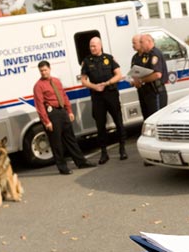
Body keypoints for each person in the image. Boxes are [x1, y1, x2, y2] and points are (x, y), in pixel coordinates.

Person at [33, 60, 96, 175]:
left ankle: (81, 162)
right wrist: (47, 122)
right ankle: (62, 167)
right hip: (52, 114)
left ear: (49, 69)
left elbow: (64, 96)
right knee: (56, 143)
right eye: (41, 71)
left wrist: (69, 111)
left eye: (45, 70)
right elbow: (39, 105)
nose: (43, 72)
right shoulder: (38, 86)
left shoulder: (56, 81)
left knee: (71, 139)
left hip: (62, 111)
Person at [81, 36, 127, 164]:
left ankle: (122, 149)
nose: (92, 48)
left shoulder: (109, 58)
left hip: (111, 94)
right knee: (100, 125)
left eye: (94, 46)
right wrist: (94, 86)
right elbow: (83, 80)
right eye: (90, 46)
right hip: (97, 97)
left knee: (118, 122)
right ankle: (104, 153)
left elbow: (118, 75)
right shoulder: (87, 61)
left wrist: (107, 83)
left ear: (100, 45)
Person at [130, 34, 168, 119]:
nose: (140, 44)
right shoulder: (143, 56)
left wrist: (141, 80)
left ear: (149, 42)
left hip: (155, 91)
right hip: (146, 93)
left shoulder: (154, 54)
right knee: (148, 119)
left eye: (141, 42)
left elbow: (157, 74)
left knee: (156, 119)